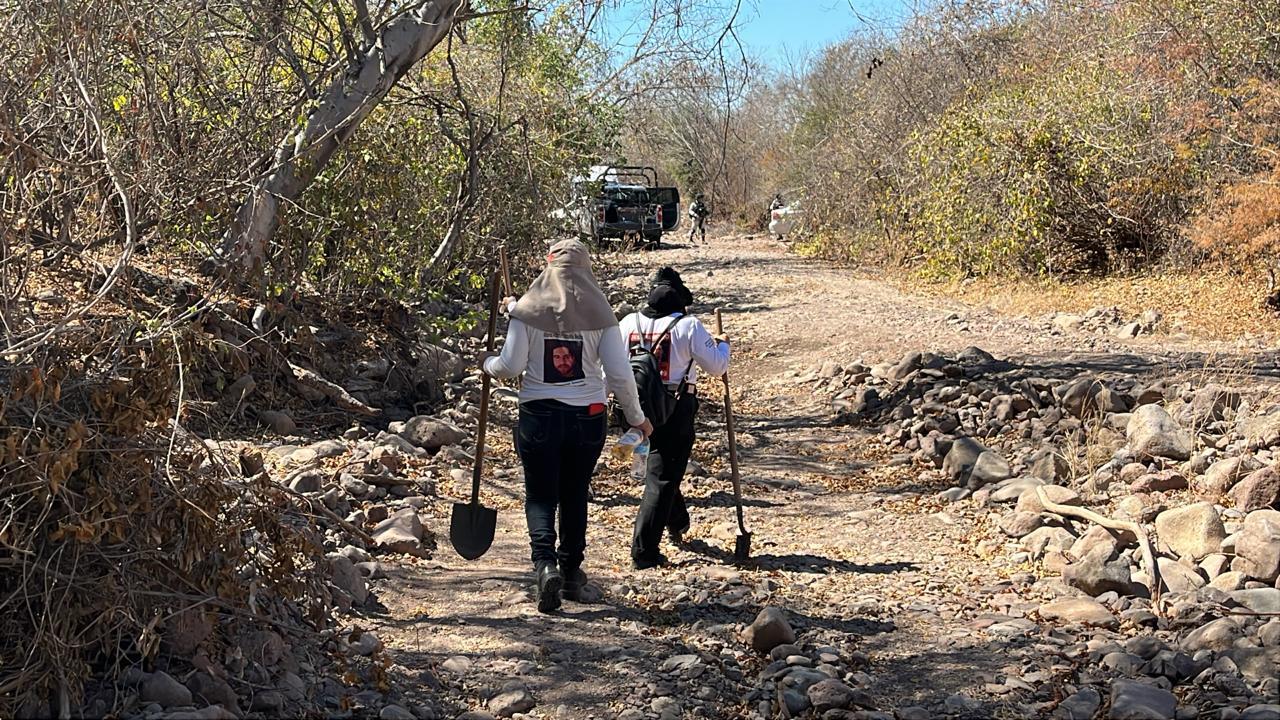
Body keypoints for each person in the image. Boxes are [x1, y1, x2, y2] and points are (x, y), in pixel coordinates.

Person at [481, 239, 653, 612]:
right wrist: (637, 418)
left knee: (541, 493)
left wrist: (488, 364)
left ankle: (545, 566)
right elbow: (620, 375)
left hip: (538, 413)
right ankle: (572, 572)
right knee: (575, 492)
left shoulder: (527, 311)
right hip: (587, 416)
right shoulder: (602, 313)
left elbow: (509, 367)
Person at [619, 267, 730, 569]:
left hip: (633, 405)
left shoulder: (628, 323)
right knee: (663, 475)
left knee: (661, 469)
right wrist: (723, 343)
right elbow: (717, 367)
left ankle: (677, 520)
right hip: (675, 406)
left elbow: (610, 367)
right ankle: (644, 551)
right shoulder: (688, 326)